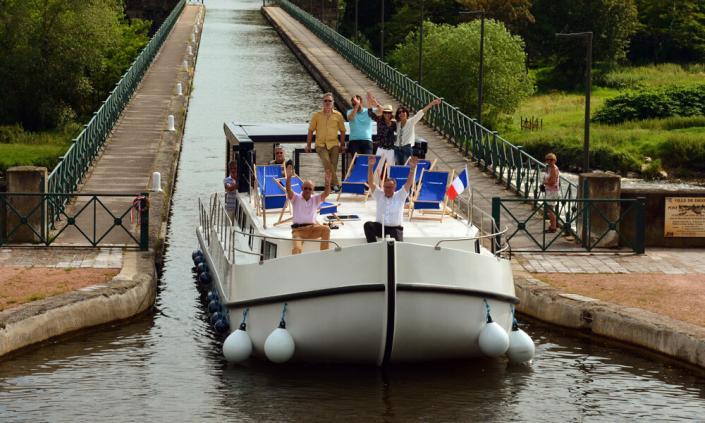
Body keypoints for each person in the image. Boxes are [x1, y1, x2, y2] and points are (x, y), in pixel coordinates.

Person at [364, 155, 417, 243]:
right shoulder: (379, 195)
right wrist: (370, 166)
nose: (387, 189)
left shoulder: (400, 195)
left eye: (390, 187)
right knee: (368, 225)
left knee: (399, 247)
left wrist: (412, 169)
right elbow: (370, 182)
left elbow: (408, 183)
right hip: (381, 227)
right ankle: (373, 246)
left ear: (394, 188)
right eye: (386, 187)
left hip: (395, 228)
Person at [285, 162, 332, 254]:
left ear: (312, 190)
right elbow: (288, 190)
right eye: (305, 188)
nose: (307, 190)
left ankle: (325, 255)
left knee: (326, 229)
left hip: (312, 228)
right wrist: (289, 177)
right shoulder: (296, 198)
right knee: (297, 249)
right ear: (302, 188)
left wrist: (327, 183)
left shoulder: (315, 199)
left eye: (310, 189)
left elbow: (326, 193)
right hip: (298, 231)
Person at [306, 92, 346, 192]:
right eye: (325, 101)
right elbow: (311, 130)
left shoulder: (338, 115)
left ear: (333, 103)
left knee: (333, 166)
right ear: (322, 103)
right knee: (327, 163)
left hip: (334, 145)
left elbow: (342, 131)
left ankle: (328, 188)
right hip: (321, 145)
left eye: (329, 101)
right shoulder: (316, 115)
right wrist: (308, 145)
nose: (327, 102)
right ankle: (336, 185)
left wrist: (342, 145)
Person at [395, 98, 441, 164]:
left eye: (403, 111)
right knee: (397, 168)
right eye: (399, 112)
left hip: (406, 148)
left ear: (406, 113)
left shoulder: (411, 122)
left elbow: (421, 112)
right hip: (397, 149)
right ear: (398, 115)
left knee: (406, 168)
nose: (401, 113)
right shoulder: (397, 123)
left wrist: (432, 103)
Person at [367, 92, 397, 166]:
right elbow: (370, 113)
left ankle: (390, 178)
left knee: (391, 168)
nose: (387, 114)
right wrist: (369, 102)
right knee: (377, 168)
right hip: (381, 148)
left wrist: (376, 103)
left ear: (391, 114)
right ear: (383, 113)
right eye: (385, 112)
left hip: (391, 150)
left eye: (389, 113)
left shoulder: (394, 123)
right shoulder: (379, 120)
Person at [542, 153, 560, 233]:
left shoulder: (553, 169)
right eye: (547, 160)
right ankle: (553, 225)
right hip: (550, 190)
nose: (549, 161)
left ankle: (553, 227)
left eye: (551, 160)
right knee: (550, 209)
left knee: (550, 209)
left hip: (552, 191)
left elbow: (552, 182)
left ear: (555, 160)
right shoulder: (549, 168)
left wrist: (544, 183)